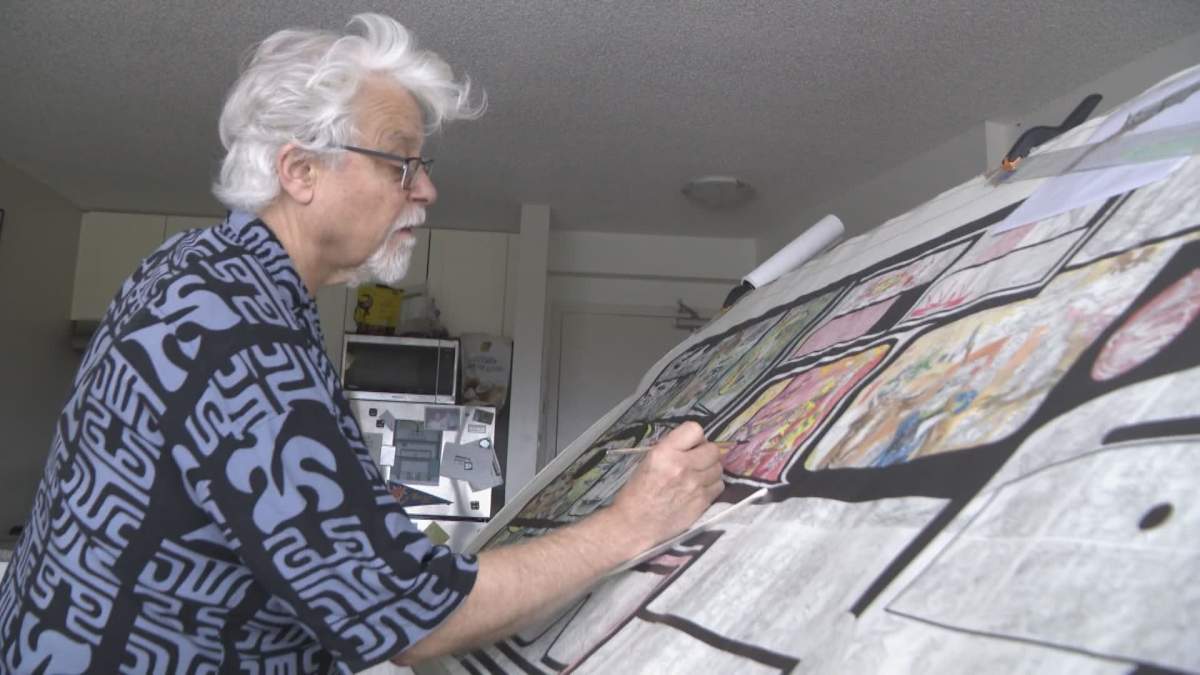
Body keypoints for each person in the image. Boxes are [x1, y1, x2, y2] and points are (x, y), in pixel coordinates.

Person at [0, 13, 723, 674]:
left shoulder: (193, 272)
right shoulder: (238, 330)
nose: (427, 191)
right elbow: (411, 615)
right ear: (301, 171)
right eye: (400, 163)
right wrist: (630, 524)